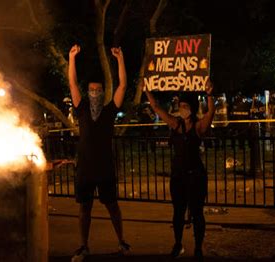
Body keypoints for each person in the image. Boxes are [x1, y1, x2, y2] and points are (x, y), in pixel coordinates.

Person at [68, 44, 130, 262]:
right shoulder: (82, 108)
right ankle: (83, 246)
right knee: (85, 209)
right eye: (91, 90)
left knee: (113, 207)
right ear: (88, 93)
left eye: (98, 90)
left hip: (105, 169)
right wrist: (72, 58)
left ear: (103, 93)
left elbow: (123, 85)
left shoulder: (109, 111)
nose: (94, 93)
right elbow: (73, 83)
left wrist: (120, 60)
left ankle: (122, 242)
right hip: (85, 168)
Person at [145, 82, 215, 260]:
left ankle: (198, 248)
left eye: (185, 106)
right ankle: (178, 244)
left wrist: (209, 95)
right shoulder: (175, 124)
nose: (182, 109)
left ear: (192, 108)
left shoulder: (199, 127)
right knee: (177, 213)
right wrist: (146, 89)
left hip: (196, 176)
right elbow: (156, 107)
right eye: (180, 106)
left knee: (197, 213)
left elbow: (210, 114)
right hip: (178, 176)